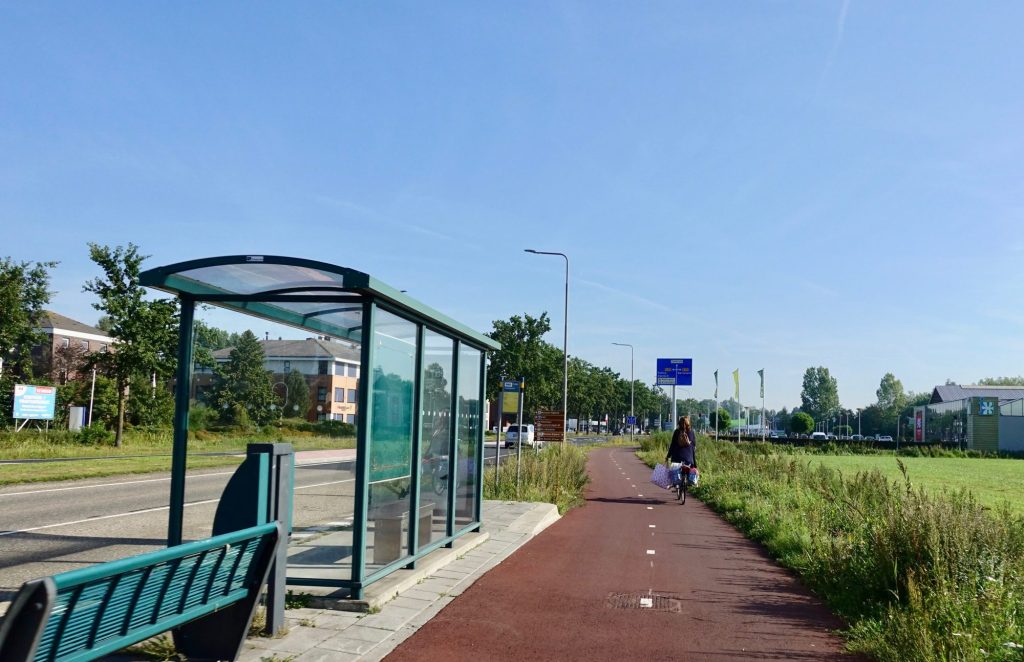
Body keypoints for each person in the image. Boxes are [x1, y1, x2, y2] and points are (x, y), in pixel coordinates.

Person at [665, 415, 696, 486]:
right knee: (690, 471)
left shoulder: (676, 432)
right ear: (688, 423)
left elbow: (672, 446)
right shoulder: (691, 432)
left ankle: (675, 484)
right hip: (689, 460)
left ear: (679, 423)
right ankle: (689, 482)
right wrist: (694, 464)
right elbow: (693, 448)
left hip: (676, 460)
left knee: (675, 473)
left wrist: (668, 456)